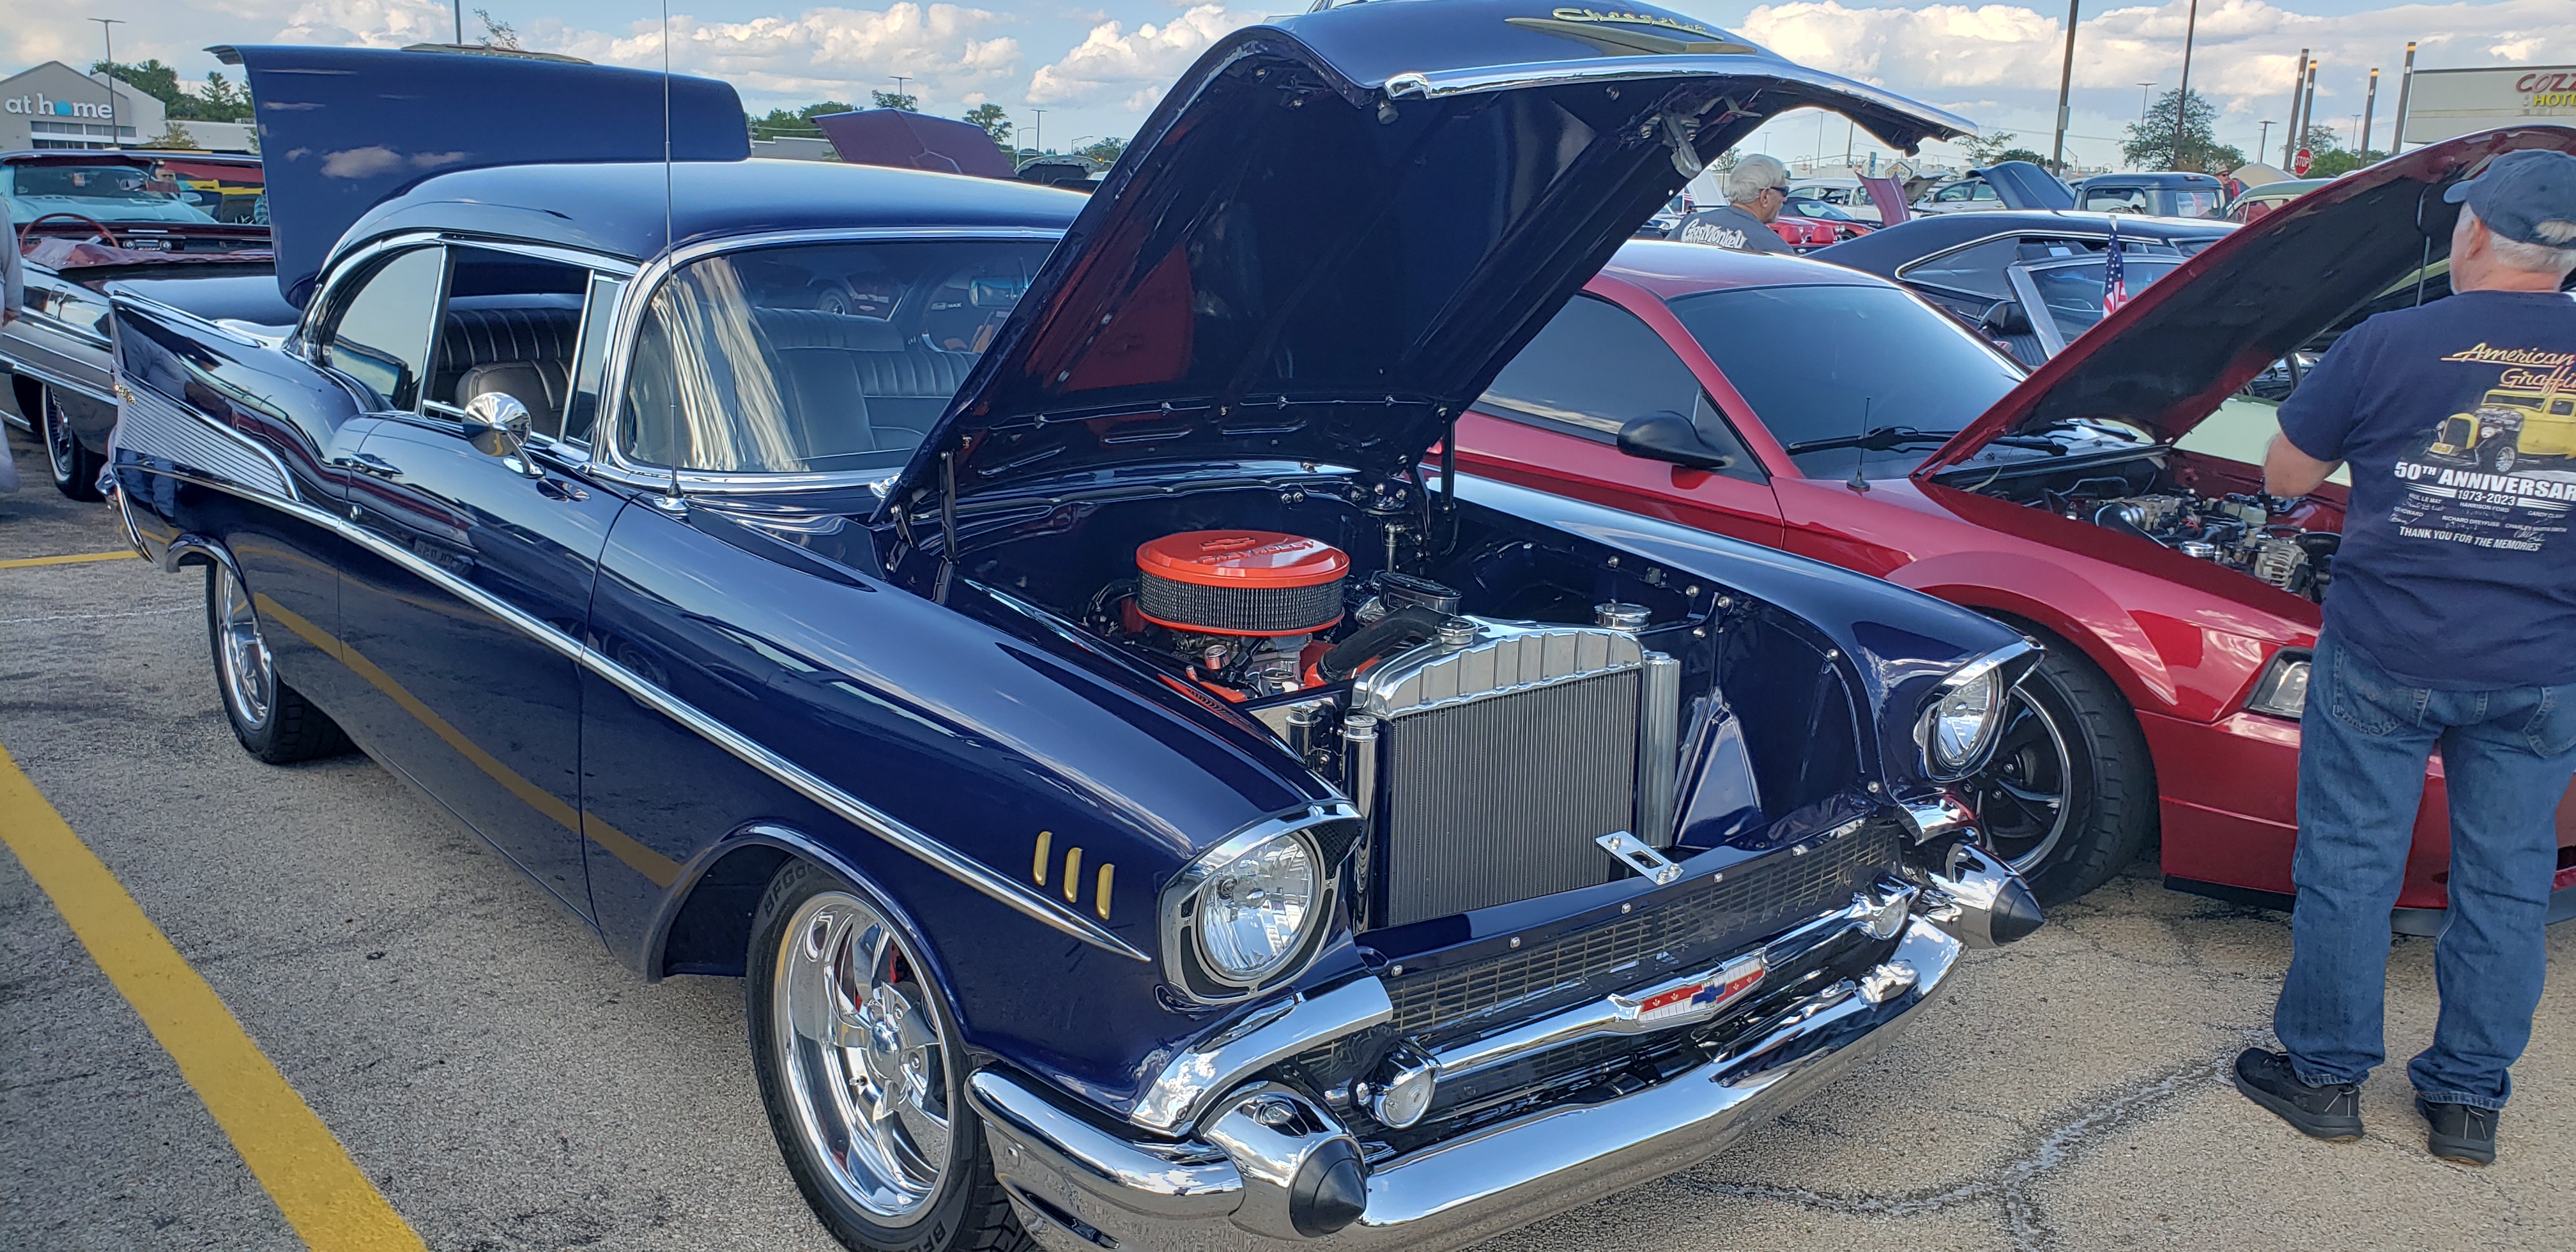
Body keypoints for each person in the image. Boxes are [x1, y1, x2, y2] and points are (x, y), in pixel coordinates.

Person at [2237, 148, 2576, 1167]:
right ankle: (2467, 1105)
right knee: (2509, 882)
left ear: (2474, 233)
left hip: (2387, 651)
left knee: (2351, 864)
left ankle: (2326, 1080)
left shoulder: (2390, 339)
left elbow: (2285, 474)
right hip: (2540, 667)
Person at [1673, 155, 1794, 254]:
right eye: (1784, 191)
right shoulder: (1775, 250)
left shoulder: (1689, 224)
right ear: (1765, 197)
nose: (1785, 199)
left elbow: (1663, 262)